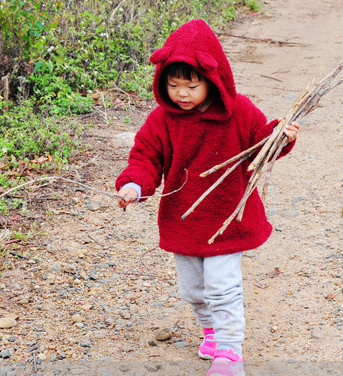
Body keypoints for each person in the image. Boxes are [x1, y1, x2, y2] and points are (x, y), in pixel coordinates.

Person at [115, 19, 300, 376]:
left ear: (213, 80)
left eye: (191, 85)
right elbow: (145, 158)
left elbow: (261, 144)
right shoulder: (161, 121)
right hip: (183, 219)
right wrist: (134, 186)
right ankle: (211, 333)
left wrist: (280, 136)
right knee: (194, 291)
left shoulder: (239, 111)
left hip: (228, 217)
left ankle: (230, 353)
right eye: (173, 85)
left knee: (223, 288)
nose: (181, 94)